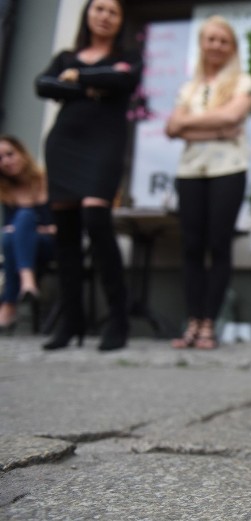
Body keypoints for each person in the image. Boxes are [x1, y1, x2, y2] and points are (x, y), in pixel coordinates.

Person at [35, 0, 142, 352]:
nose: (105, 16)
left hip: (104, 145)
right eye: (99, 8)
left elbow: (126, 79)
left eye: (113, 11)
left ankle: (118, 319)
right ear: (88, 14)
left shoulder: (129, 55)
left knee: (97, 222)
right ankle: (71, 322)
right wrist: (95, 85)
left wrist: (78, 78)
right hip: (64, 144)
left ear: (120, 20)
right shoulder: (66, 55)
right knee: (65, 232)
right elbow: (43, 85)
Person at [165, 15, 251, 350]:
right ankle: (191, 321)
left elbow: (233, 118)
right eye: (211, 39)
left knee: (218, 245)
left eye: (223, 40)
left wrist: (190, 125)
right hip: (190, 171)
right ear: (202, 44)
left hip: (227, 170)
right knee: (190, 247)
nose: (216, 45)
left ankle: (208, 325)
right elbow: (171, 128)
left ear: (232, 47)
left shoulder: (243, 82)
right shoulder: (188, 87)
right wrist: (215, 129)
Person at [0, 135, 55, 333]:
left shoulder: (48, 180)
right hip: (24, 248)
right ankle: (27, 285)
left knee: (24, 217)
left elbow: (65, 224)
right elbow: (9, 230)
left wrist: (39, 229)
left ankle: (10, 303)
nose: (6, 161)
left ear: (22, 153)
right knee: (9, 236)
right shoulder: (6, 193)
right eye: (0, 159)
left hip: (52, 245)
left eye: (10, 154)